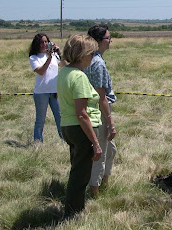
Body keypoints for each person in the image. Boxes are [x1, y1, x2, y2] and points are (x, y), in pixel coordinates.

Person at [57, 34, 102, 218]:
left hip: (67, 127)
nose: (93, 57)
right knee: (80, 175)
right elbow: (82, 113)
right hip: (80, 128)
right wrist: (95, 143)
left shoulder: (64, 72)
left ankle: (74, 206)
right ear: (82, 55)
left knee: (77, 169)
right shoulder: (79, 77)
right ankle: (74, 212)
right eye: (91, 53)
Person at [84, 24, 117, 198]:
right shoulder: (97, 63)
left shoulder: (89, 59)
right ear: (98, 41)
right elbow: (101, 96)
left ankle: (104, 183)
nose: (110, 41)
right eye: (107, 38)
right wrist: (110, 122)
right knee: (100, 152)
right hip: (98, 112)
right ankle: (95, 193)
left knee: (111, 150)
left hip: (90, 111)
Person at [28, 33, 65, 142]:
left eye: (46, 42)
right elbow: (41, 71)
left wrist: (58, 53)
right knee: (40, 120)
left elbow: (64, 64)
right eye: (41, 42)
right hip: (41, 92)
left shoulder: (54, 56)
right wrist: (49, 58)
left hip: (55, 91)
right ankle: (38, 141)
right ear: (37, 44)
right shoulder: (34, 57)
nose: (44, 44)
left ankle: (64, 140)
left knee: (60, 118)